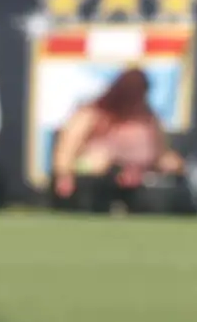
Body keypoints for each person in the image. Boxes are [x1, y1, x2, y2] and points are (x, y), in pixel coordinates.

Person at [51, 67, 189, 213]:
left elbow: (160, 152)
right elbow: (66, 149)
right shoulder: (92, 114)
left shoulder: (149, 119)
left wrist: (173, 166)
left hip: (140, 177)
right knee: (98, 160)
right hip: (96, 178)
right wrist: (64, 175)